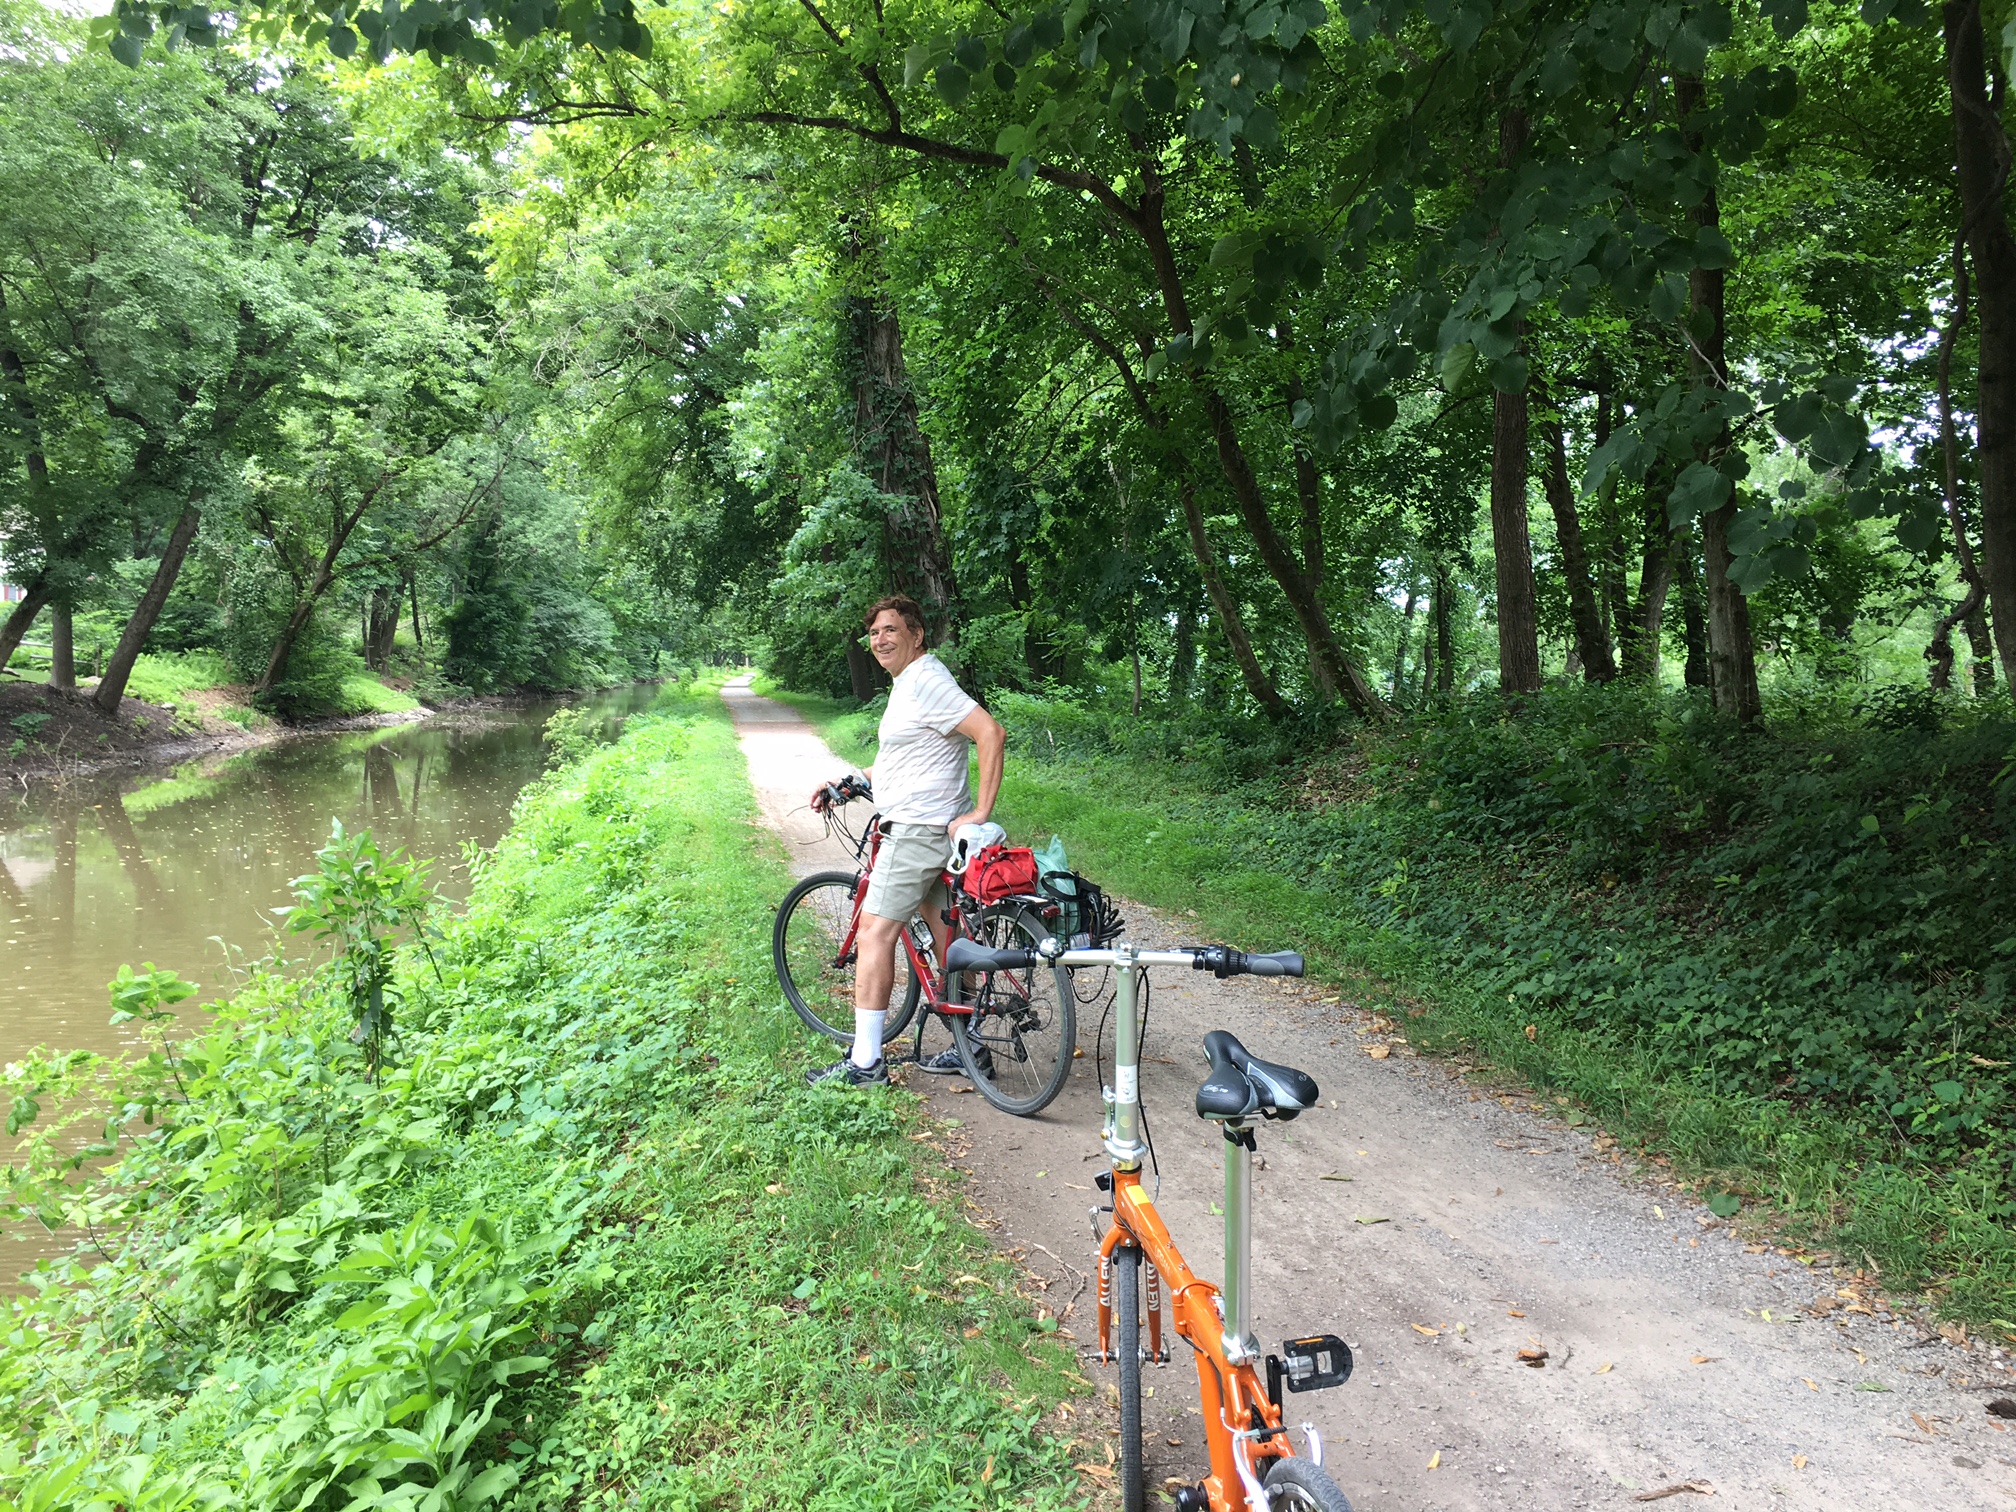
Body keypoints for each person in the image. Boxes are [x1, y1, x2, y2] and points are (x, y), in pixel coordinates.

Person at [806, 595, 1005, 1087]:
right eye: (874, 633)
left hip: (916, 831)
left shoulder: (926, 681)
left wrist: (980, 813)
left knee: (875, 933)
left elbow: (990, 733)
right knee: (948, 937)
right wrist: (850, 781)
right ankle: (970, 1048)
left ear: (916, 635)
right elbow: (905, 762)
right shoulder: (911, 684)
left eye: (891, 630)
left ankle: (866, 1062)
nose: (881, 640)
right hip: (932, 830)